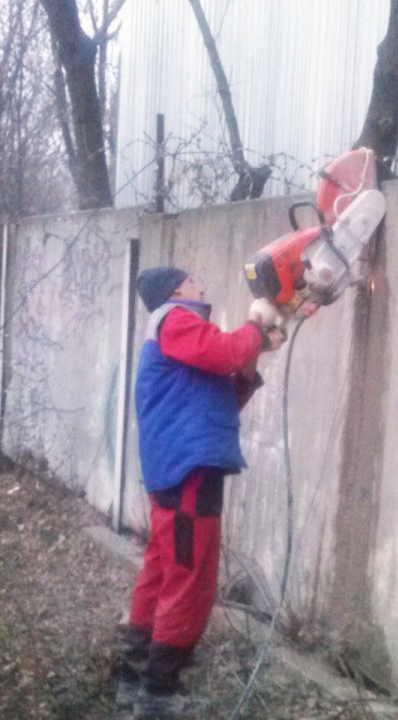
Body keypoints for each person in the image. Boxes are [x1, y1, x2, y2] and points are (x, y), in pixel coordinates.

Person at [113, 266, 287, 718]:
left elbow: (223, 390)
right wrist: (252, 325)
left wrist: (257, 349)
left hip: (177, 465)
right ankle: (158, 692)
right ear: (174, 291)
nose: (202, 285)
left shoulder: (178, 336)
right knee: (189, 576)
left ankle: (134, 673)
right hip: (189, 467)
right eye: (193, 280)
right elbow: (226, 352)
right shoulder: (176, 318)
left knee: (163, 567)